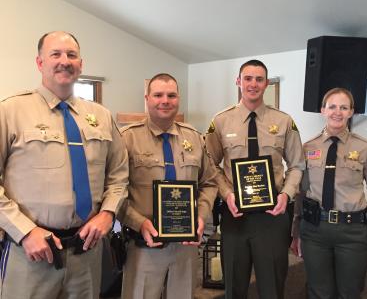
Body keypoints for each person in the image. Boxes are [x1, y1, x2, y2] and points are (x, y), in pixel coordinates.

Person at [0, 31, 129, 299]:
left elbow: (118, 175)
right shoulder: (10, 111)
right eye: (55, 54)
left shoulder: (101, 116)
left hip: (87, 253)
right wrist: (24, 232)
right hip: (31, 254)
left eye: (71, 55)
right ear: (39, 63)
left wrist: (108, 213)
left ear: (81, 64)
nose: (64, 61)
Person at [205, 59, 305, 299]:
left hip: (273, 216)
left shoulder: (284, 121)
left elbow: (298, 164)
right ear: (238, 82)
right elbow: (210, 166)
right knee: (235, 287)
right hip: (235, 215)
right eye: (247, 78)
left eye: (259, 79)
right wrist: (226, 194)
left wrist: (286, 194)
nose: (253, 84)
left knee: (272, 286)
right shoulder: (220, 121)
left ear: (267, 84)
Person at [119, 73, 217, 299]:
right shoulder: (127, 138)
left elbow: (209, 182)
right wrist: (139, 223)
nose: (165, 100)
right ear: (147, 98)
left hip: (186, 246)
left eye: (171, 95)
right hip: (144, 246)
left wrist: (200, 217)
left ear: (178, 99)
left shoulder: (193, 137)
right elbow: (114, 191)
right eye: (158, 95)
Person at [290, 87, 367, 299]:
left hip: (353, 233)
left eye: (344, 107)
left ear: (351, 112)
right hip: (314, 231)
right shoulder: (307, 148)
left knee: (349, 292)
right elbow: (300, 193)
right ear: (323, 110)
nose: (337, 112)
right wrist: (296, 232)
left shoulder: (366, 149)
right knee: (318, 291)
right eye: (332, 106)